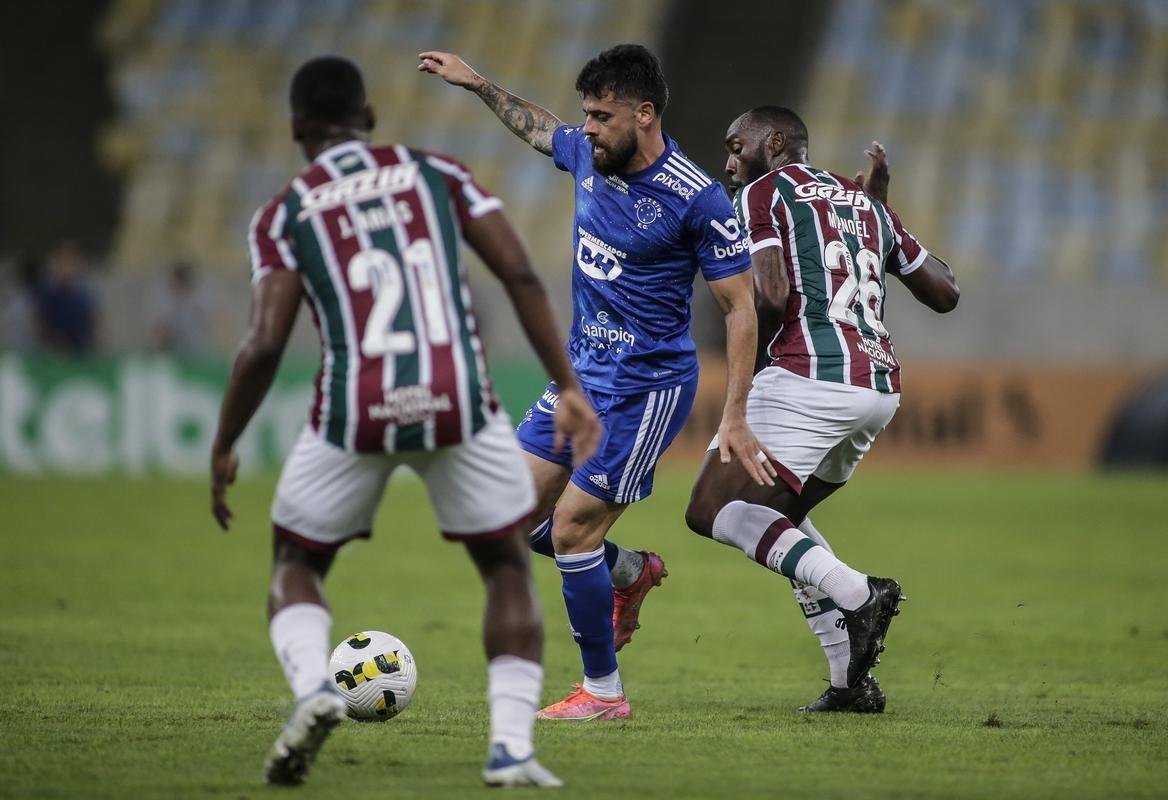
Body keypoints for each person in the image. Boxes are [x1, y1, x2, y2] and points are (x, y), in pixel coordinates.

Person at [208, 55, 601, 788]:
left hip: (354, 405)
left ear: (296, 128)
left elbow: (262, 343)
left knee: (296, 564)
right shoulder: (437, 175)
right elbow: (518, 275)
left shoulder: (283, 213)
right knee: (505, 567)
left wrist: (225, 442)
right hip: (456, 397)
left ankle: (313, 691)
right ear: (370, 119)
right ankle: (512, 749)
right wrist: (568, 385)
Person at [419, 45, 773, 720]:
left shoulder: (696, 199)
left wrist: (734, 414)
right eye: (585, 113)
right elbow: (538, 127)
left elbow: (740, 308)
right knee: (512, 521)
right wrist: (476, 83)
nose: (586, 128)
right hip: (581, 377)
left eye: (600, 115)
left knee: (572, 532)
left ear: (643, 115)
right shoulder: (588, 154)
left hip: (645, 389)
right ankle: (631, 573)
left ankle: (603, 695)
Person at [685, 106, 960, 711]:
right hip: (878, 389)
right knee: (779, 520)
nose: (730, 162)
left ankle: (860, 592)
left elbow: (775, 294)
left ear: (776, 143)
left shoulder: (762, 192)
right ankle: (849, 682)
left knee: (713, 510)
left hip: (807, 375)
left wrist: (722, 293)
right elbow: (945, 293)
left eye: (738, 146)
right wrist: (884, 212)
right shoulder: (863, 199)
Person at [150, 260, 212, 355]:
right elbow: (158, 331)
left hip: (197, 352)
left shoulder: (198, 301)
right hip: (174, 353)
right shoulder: (167, 303)